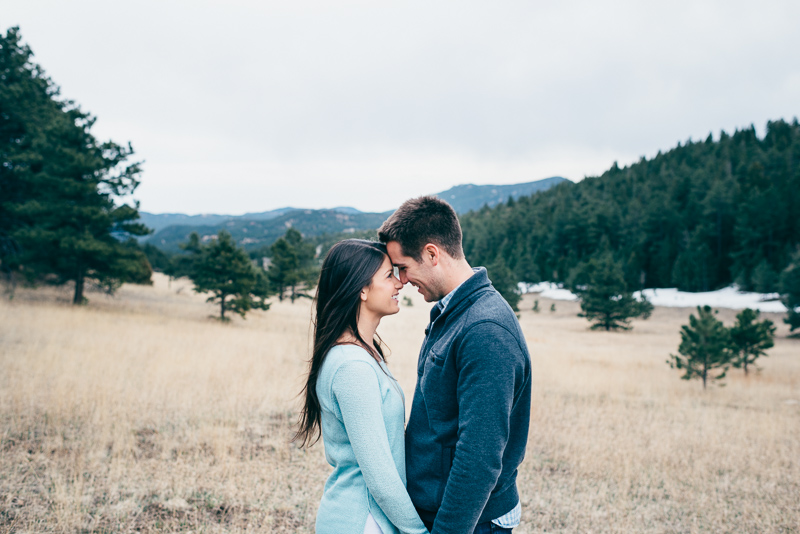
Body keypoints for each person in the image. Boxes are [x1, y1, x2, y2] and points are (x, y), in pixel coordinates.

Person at [378, 196, 532, 534]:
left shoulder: (484, 330)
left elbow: (480, 457)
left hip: (471, 522)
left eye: (403, 267)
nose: (401, 280)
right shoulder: (455, 313)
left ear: (432, 254)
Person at [293, 239, 429, 534]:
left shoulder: (364, 354)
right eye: (388, 275)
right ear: (362, 290)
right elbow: (380, 476)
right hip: (362, 521)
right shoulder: (352, 367)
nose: (399, 283)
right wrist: (419, 532)